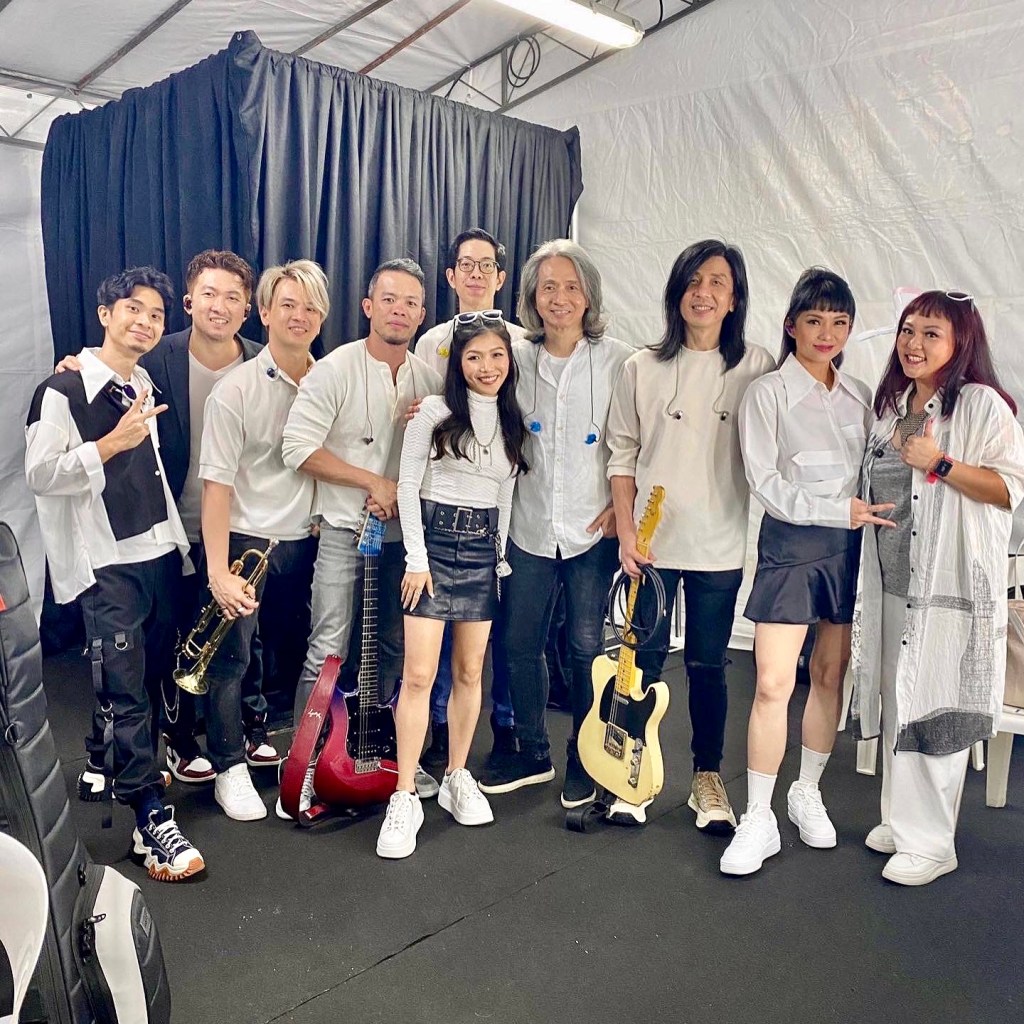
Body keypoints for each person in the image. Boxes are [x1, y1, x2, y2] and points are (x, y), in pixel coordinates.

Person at [56, 251, 288, 791]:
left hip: (241, 522)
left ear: (248, 309)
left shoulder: (266, 360)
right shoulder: (153, 356)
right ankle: (181, 742)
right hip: (170, 524)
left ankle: (248, 726)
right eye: (208, 294)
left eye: (233, 297)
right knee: (172, 641)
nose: (219, 306)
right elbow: (103, 372)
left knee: (241, 633)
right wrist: (75, 366)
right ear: (188, 301)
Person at [25, 266, 204, 881]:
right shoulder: (60, 390)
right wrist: (109, 445)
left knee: (151, 679)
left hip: (158, 551)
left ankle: (105, 760)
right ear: (105, 314)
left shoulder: (143, 382)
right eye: (133, 309)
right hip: (106, 562)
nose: (145, 322)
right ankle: (150, 818)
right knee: (126, 689)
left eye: (156, 314)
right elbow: (39, 473)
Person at [720, 267, 891, 876]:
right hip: (791, 547)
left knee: (829, 674)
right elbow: (764, 482)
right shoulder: (766, 393)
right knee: (772, 682)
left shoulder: (862, 396)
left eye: (839, 322)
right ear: (791, 325)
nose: (827, 333)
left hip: (850, 551)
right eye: (814, 320)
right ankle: (758, 816)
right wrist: (836, 511)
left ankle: (806, 792)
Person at [850, 290, 1024, 885]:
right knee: (901, 701)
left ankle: (931, 844)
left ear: (960, 342)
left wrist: (940, 462)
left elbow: (1009, 489)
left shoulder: (980, 405)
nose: (914, 343)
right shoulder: (894, 406)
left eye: (931, 333)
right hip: (892, 580)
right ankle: (901, 821)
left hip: (947, 585)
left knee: (936, 708)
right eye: (908, 330)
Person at [606, 239, 776, 829]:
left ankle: (707, 778)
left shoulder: (756, 367)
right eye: (693, 281)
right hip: (651, 547)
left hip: (719, 544)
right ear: (677, 292)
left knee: (707, 665)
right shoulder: (641, 366)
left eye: (717, 283)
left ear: (734, 299)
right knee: (641, 662)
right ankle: (629, 774)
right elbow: (621, 456)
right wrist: (626, 534)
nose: (703, 293)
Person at [281, 258, 443, 814]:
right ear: (368, 306)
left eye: (410, 303)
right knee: (328, 647)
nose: (399, 310)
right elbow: (297, 448)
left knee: (396, 650)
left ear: (422, 315)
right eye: (389, 299)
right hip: (343, 530)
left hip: (406, 541)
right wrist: (372, 482)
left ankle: (392, 760)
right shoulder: (334, 369)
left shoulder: (430, 381)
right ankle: (303, 765)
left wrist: (433, 425)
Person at [479, 239, 630, 808]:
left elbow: (635, 441)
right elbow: (475, 404)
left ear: (589, 295)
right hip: (529, 527)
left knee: (586, 648)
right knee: (519, 643)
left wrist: (623, 507)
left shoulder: (619, 361)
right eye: (548, 287)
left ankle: (585, 757)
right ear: (532, 297)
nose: (559, 298)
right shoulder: (515, 358)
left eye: (571, 287)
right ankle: (532, 750)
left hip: (593, 530)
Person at [377, 317, 527, 858]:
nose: (487, 367)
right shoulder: (434, 413)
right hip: (433, 548)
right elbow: (408, 487)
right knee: (419, 676)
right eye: (474, 357)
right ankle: (404, 794)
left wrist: (500, 559)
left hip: (483, 554)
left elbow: (504, 496)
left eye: (497, 356)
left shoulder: (512, 421)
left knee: (469, 672)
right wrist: (417, 560)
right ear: (457, 364)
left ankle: (457, 775)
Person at [196, 260, 325, 821]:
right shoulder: (235, 390)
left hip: (311, 541)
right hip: (248, 540)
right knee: (231, 659)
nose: (300, 316)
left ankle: (288, 750)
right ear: (265, 313)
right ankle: (228, 767)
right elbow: (216, 487)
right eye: (288, 305)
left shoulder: (330, 379)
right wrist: (217, 571)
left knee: (296, 658)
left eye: (311, 307)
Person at [415, 229, 527, 768]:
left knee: (490, 645)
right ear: (451, 275)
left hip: (497, 514)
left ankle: (505, 729)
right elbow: (424, 418)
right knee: (433, 651)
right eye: (466, 264)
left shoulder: (522, 342)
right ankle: (437, 734)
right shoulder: (431, 341)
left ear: (501, 277)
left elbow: (517, 419)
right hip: (439, 516)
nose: (476, 274)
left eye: (487, 265)